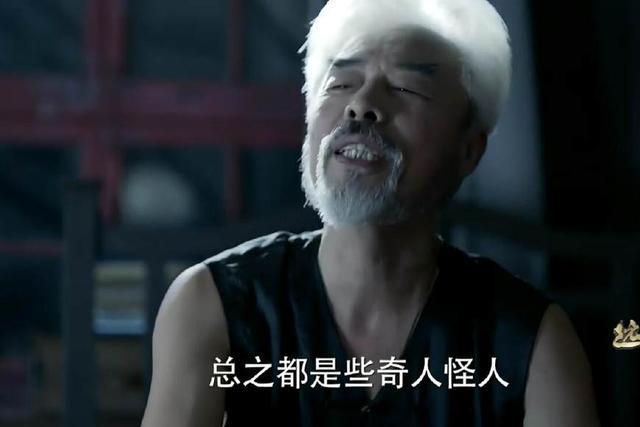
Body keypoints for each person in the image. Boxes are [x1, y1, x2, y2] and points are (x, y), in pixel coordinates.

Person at [141, 0, 600, 425]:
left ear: (468, 150)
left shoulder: (531, 342)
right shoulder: (214, 304)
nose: (361, 106)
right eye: (340, 84)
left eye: (405, 88)